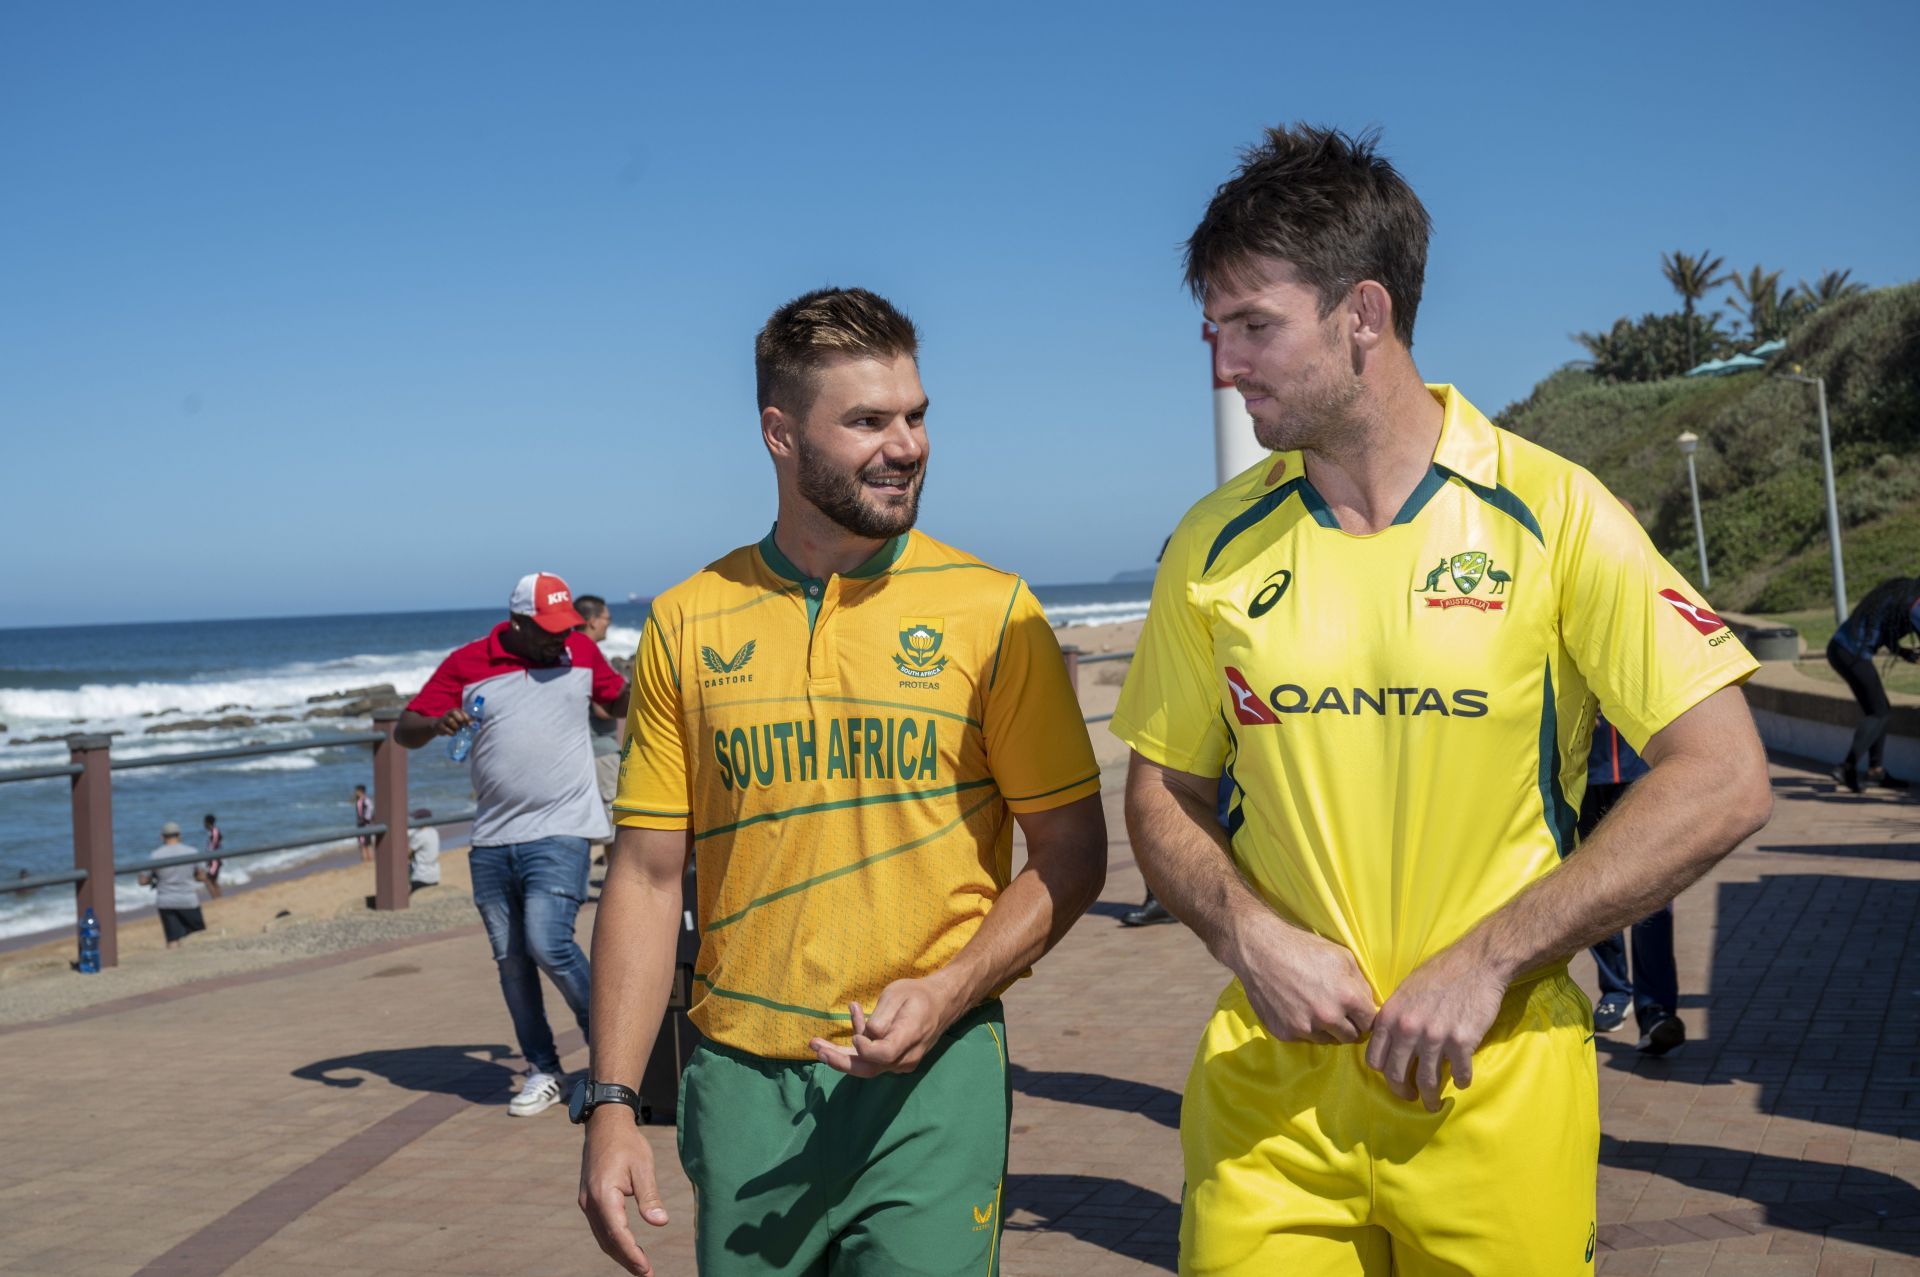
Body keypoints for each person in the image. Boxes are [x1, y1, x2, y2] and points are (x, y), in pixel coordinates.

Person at [1113, 124, 1773, 1275]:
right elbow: (1163, 789)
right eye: (1213, 331)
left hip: (1494, 1088)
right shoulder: (1209, 547)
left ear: (1363, 313)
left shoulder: (1554, 512)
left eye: (1252, 326)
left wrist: (1485, 962)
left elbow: (1725, 774)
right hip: (1271, 1103)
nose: (1223, 365)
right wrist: (1244, 931)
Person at [577, 287, 1108, 1277]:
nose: (906, 444)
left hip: (933, 1079)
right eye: (867, 420)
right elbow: (647, 878)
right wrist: (610, 1103)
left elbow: (1073, 854)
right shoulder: (692, 621)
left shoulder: (993, 611)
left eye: (916, 415)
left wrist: (949, 989)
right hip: (739, 1082)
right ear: (780, 433)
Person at [397, 572, 630, 1117]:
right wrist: (435, 724)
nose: (560, 639)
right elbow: (405, 729)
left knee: (548, 943)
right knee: (512, 961)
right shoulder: (468, 663)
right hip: (494, 838)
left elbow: (618, 702)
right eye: (548, 629)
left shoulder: (577, 653)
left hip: (563, 828)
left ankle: (610, 1055)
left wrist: (651, 680)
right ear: (518, 624)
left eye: (566, 626)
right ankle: (544, 1068)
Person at [1577, 714, 1684, 1055]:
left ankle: (1655, 1010)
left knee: (1651, 892)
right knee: (1594, 888)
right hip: (1582, 768)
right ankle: (1614, 988)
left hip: (1644, 765)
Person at [1825, 575, 1920, 792]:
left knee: (1878, 710)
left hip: (1839, 649)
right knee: (1879, 712)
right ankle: (1845, 767)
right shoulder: (1915, 604)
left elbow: (1884, 629)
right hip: (1853, 654)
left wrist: (1903, 652)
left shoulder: (1901, 592)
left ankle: (1875, 771)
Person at [575, 594, 623, 862]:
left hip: (582, 750)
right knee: (612, 828)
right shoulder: (588, 653)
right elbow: (602, 707)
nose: (608, 624)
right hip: (601, 750)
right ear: (592, 621)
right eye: (607, 619)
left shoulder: (569, 651)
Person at [138, 821, 208, 949]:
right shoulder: (191, 852)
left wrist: (154, 878)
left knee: (173, 939)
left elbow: (142, 880)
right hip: (188, 899)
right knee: (199, 937)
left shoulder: (156, 855)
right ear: (179, 835)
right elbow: (202, 876)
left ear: (162, 837)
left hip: (166, 900)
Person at [408, 807, 442, 890]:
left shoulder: (420, 835)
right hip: (434, 875)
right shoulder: (434, 832)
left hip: (421, 876)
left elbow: (407, 853)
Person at [202, 813, 224, 899]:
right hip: (212, 859)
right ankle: (218, 897)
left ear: (207, 822)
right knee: (213, 880)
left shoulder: (214, 831)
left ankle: (216, 897)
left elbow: (213, 845)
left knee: (209, 879)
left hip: (215, 860)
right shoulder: (211, 831)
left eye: (204, 822)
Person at [352, 784, 374, 861]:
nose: (355, 792)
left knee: (366, 844)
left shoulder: (366, 800)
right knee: (364, 843)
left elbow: (369, 810)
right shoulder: (359, 800)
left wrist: (366, 820)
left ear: (360, 791)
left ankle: (368, 859)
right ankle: (366, 859)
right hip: (362, 824)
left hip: (365, 825)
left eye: (356, 791)